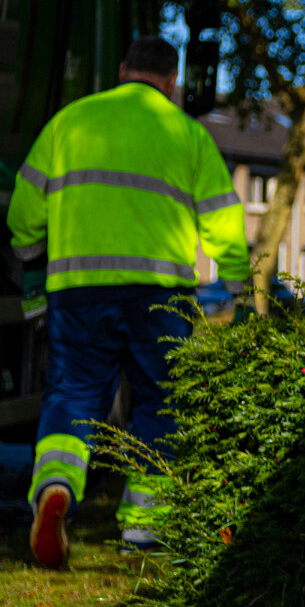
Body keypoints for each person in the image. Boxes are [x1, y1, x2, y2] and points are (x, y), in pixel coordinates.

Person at [7, 36, 248, 567]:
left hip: (78, 291)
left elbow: (24, 210)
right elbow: (223, 219)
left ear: (122, 71)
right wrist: (237, 286)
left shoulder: (70, 122)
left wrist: (30, 255)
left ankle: (56, 486)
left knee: (73, 395)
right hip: (160, 296)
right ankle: (142, 529)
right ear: (172, 81)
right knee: (161, 402)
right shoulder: (187, 134)